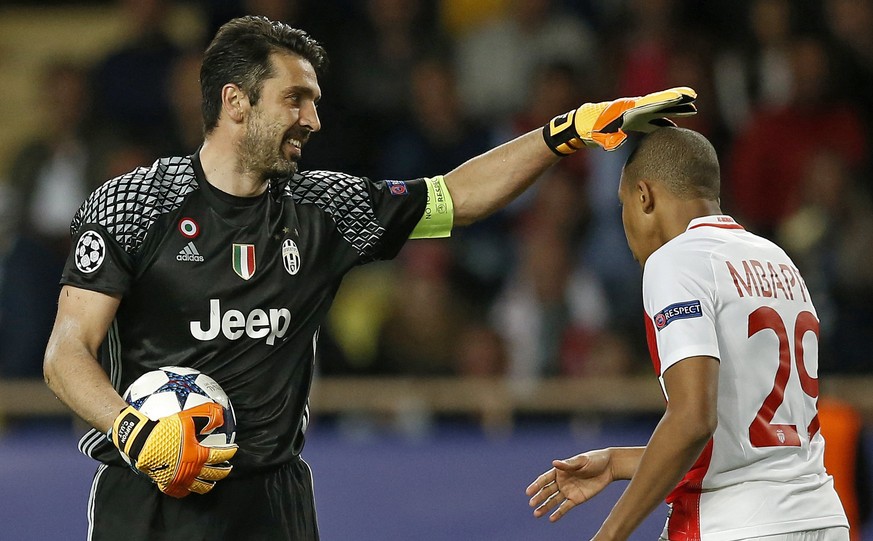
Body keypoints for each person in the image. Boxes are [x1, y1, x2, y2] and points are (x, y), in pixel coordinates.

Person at [42, 15, 696, 540]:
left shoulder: (323, 207)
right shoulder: (133, 203)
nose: (313, 120)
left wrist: (566, 132)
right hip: (149, 499)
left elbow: (457, 195)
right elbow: (67, 350)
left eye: (316, 101)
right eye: (295, 99)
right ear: (235, 102)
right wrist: (137, 432)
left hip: (271, 502)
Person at [526, 127, 850, 540]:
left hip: (734, 525)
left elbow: (694, 419)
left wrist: (608, 536)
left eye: (623, 205)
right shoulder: (778, 260)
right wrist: (617, 462)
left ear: (644, 196)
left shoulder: (676, 259)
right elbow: (749, 439)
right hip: (821, 517)